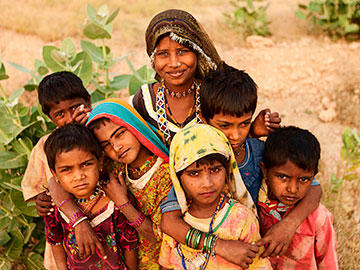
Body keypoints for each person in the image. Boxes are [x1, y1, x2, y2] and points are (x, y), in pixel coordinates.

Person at [160, 63, 322, 268]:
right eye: (224, 126)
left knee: (320, 215)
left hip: (263, 242)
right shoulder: (197, 161)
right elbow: (169, 222)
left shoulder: (258, 151)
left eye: (244, 123)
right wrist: (221, 246)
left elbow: (314, 187)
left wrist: (288, 226)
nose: (236, 135)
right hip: (218, 250)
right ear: (204, 119)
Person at [49, 98, 172, 269]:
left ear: (133, 125)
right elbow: (54, 181)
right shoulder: (114, 165)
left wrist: (123, 204)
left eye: (120, 134)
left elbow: (163, 237)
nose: (116, 147)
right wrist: (79, 221)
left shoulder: (164, 175)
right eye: (106, 144)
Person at [132, 9, 280, 146]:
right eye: (163, 54)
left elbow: (232, 137)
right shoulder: (145, 100)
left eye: (182, 51)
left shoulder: (214, 93)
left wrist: (253, 130)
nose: (174, 63)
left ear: (198, 52)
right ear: (152, 59)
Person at [159, 124, 272, 269]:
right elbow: (166, 265)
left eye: (215, 170)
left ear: (227, 170)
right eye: (194, 173)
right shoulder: (177, 222)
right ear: (178, 177)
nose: (207, 183)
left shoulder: (241, 219)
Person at [21, 71, 92, 269]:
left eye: (75, 108)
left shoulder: (99, 132)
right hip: (66, 236)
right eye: (60, 114)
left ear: (88, 101)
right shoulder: (45, 147)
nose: (70, 119)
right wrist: (42, 199)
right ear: (50, 118)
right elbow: (34, 187)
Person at [43, 124, 138, 269]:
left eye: (86, 164)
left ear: (99, 162)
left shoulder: (115, 201)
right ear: (54, 173)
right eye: (66, 169)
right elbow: (55, 241)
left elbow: (129, 245)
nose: (79, 176)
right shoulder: (54, 206)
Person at [258, 126, 338, 269]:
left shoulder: (319, 218)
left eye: (304, 179)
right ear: (264, 170)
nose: (293, 189)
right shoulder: (254, 205)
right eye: (283, 177)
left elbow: (328, 262)